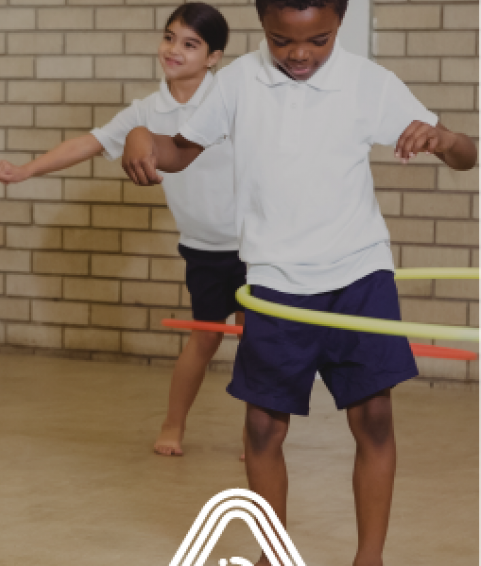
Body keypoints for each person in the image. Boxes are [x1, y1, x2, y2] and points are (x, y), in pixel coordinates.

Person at [119, 0, 477, 562]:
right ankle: (272, 553)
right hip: (273, 281)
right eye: (282, 41)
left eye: (319, 40)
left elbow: (466, 156)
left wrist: (446, 141)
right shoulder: (237, 82)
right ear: (263, 26)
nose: (301, 54)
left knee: (375, 420)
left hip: (358, 273)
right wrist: (143, 136)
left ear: (339, 24)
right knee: (262, 431)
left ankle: (370, 557)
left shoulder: (368, 82)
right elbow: (180, 152)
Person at [0, 3, 239, 455]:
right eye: (169, 38)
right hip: (204, 248)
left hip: (255, 245)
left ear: (214, 57)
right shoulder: (148, 109)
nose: (174, 50)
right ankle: (172, 425)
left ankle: (256, 434)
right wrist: (26, 170)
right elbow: (88, 142)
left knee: (258, 342)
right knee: (204, 339)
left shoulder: (231, 97)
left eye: (190, 44)